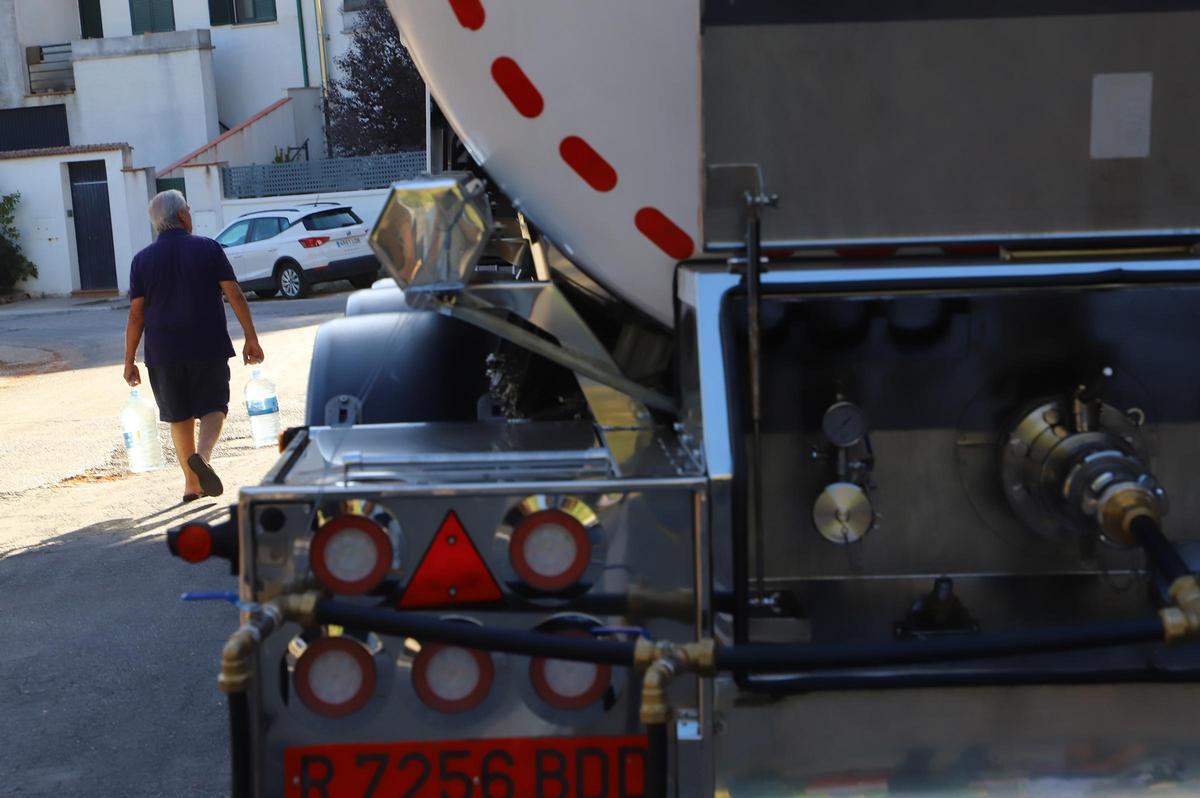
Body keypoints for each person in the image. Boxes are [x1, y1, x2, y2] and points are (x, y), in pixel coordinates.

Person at [122, 190, 265, 502]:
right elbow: (235, 293)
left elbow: (136, 315)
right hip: (207, 344)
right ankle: (204, 457)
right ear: (183, 216)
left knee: (179, 416)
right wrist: (251, 338)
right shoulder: (208, 248)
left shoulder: (141, 261)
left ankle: (191, 485)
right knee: (214, 406)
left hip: (163, 352)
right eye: (189, 209)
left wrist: (129, 359)